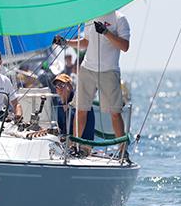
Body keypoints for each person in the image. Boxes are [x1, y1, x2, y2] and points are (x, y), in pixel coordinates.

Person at [53, 10, 130, 157]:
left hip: (109, 70)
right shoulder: (91, 17)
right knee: (80, 110)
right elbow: (86, 42)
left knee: (115, 113)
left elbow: (125, 46)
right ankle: (74, 147)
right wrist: (66, 42)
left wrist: (106, 32)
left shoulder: (120, 19)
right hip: (87, 68)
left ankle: (122, 150)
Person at [52, 73, 95, 142]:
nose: (59, 88)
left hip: (82, 143)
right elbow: (60, 127)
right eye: (56, 86)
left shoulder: (80, 101)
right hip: (67, 143)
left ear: (70, 87)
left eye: (62, 85)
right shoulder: (60, 104)